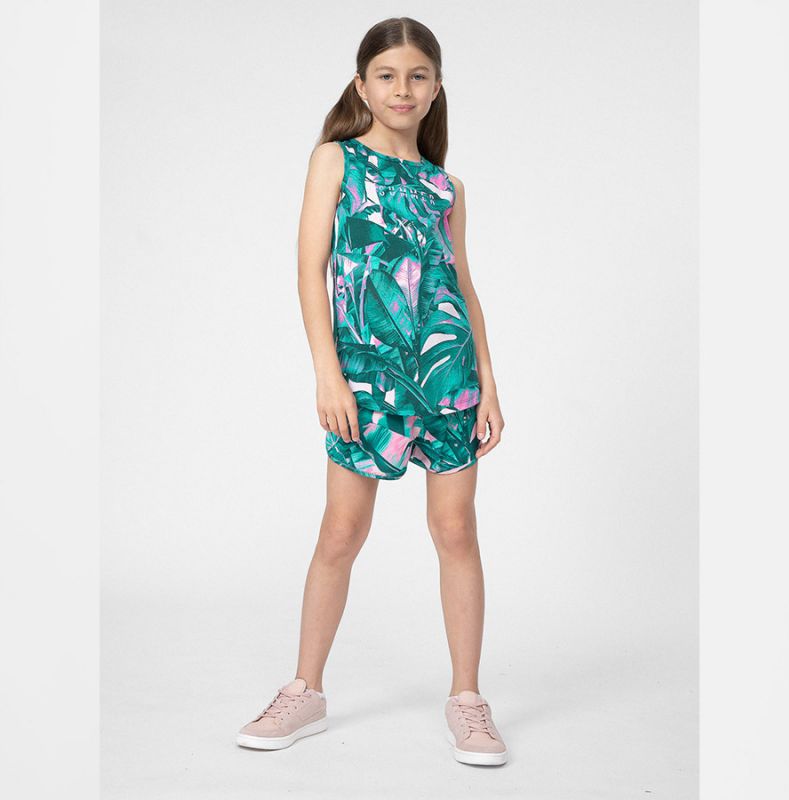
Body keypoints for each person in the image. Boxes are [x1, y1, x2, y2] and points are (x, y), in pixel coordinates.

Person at [236, 16, 507, 766]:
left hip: (448, 379)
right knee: (340, 532)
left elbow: (462, 287)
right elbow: (310, 272)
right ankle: (305, 691)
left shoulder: (446, 186)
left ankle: (467, 699)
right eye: (387, 75)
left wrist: (488, 382)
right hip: (366, 381)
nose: (402, 89)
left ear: (437, 88)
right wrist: (328, 374)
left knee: (456, 532)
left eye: (418, 76)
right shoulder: (336, 161)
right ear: (362, 85)